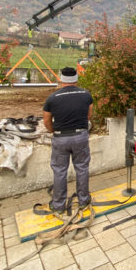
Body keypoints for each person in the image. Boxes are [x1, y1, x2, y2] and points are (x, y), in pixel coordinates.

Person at [43, 66, 93, 213]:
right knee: (82, 168)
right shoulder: (86, 94)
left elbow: (46, 121)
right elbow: (89, 115)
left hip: (60, 138)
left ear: (61, 78)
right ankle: (83, 201)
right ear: (76, 78)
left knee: (59, 171)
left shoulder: (52, 98)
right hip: (80, 137)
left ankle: (58, 206)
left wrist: (54, 131)